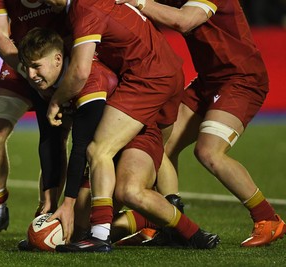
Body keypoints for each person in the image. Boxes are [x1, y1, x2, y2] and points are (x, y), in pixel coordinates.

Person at [38, 0, 220, 252]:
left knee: (98, 150)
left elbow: (80, 72)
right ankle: (190, 232)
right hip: (167, 74)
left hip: (147, 78)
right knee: (131, 189)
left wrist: (56, 101)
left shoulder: (83, 8)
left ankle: (99, 236)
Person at [116, 0, 286, 247]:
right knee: (160, 146)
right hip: (208, 81)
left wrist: (139, 2)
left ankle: (268, 219)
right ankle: (165, 222)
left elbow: (183, 20)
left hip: (241, 79)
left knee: (209, 152)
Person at [0, 0, 71, 243]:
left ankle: (46, 213)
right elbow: (0, 37)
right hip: (21, 63)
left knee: (58, 134)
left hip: (60, 58)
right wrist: (29, 74)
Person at [17, 26, 118, 244]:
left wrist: (69, 202)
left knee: (82, 224)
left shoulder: (90, 81)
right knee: (70, 229)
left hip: (126, 144)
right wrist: (49, 198)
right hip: (97, 150)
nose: (31, 75)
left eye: (36, 66)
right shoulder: (45, 83)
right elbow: (49, 139)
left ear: (57, 59)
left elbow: (80, 146)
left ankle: (144, 223)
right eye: (27, 67)